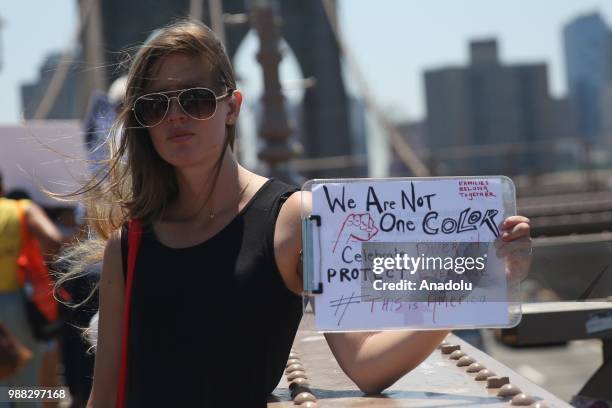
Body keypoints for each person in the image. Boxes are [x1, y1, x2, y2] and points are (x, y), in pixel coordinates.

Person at [59, 20, 531, 407]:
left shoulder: (297, 220)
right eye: (155, 106)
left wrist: (476, 278)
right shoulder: (130, 243)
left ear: (231, 107)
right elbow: (104, 398)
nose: (175, 116)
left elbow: (367, 365)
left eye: (196, 99)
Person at [0, 172, 64, 407]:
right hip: (16, 303)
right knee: (26, 379)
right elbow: (53, 239)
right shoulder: (21, 209)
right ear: (3, 187)